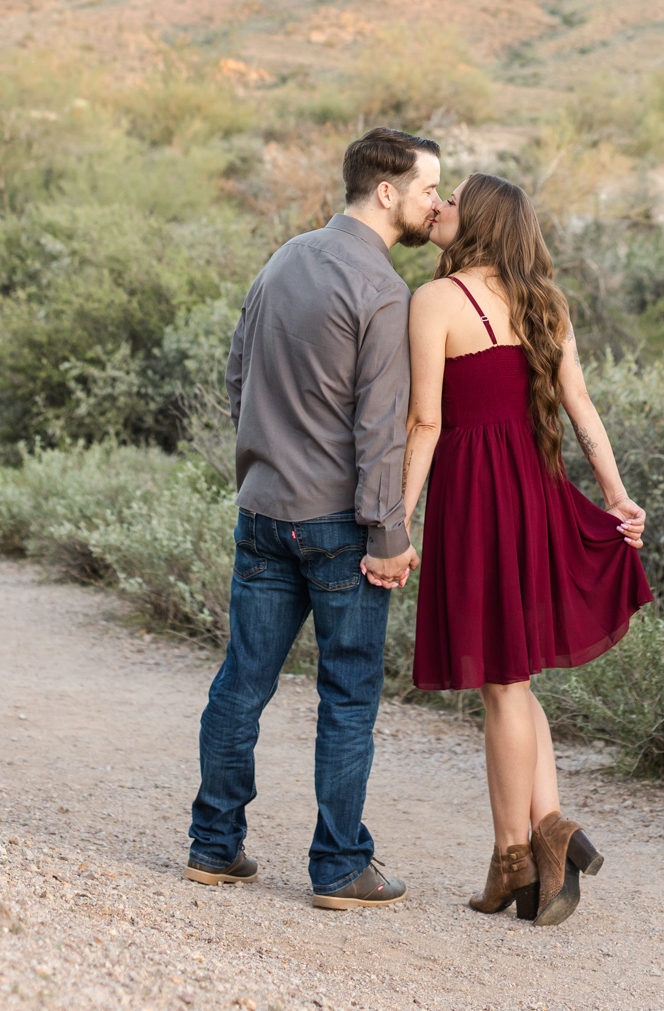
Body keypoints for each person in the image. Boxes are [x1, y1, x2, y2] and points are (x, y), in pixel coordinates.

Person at [380, 172, 650, 927]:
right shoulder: (544, 302)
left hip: (477, 500)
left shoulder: (436, 301)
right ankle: (551, 824)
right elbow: (582, 407)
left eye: (452, 200)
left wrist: (395, 523)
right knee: (518, 677)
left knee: (501, 682)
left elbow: (424, 425)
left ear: (480, 222)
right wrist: (614, 494)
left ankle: (511, 855)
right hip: (534, 494)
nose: (437, 207)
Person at [186, 127, 440, 909]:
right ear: (387, 191)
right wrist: (390, 535)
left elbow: (237, 370)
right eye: (430, 188)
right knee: (349, 696)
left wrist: (263, 456)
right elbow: (378, 430)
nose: (438, 202)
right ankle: (338, 867)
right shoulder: (383, 291)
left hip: (263, 512)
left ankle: (212, 847)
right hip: (338, 528)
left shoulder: (285, 257)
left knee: (242, 682)